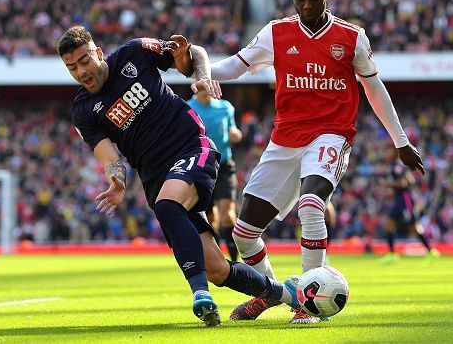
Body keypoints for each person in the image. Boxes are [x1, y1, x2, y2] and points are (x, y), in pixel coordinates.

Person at [207, 0, 425, 324]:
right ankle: (274, 292)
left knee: (311, 204)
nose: (306, 6)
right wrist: (194, 66)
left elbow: (373, 87)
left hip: (331, 134)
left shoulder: (351, 37)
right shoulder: (276, 33)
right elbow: (234, 67)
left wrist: (400, 141)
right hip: (284, 139)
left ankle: (306, 307)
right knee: (244, 234)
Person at [59, 26, 301, 327]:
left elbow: (194, 53)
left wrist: (199, 74)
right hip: (155, 177)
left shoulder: (134, 53)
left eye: (84, 61)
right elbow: (109, 157)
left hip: (191, 147)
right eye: (72, 67)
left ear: (97, 53)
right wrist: (116, 179)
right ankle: (289, 294)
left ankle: (200, 294)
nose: (81, 71)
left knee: (168, 206)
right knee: (217, 269)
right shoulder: (83, 110)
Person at [187, 90, 242, 261]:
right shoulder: (188, 107)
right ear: (194, 86)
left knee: (227, 215)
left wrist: (235, 133)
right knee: (210, 219)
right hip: (202, 167)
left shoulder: (225, 107)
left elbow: (233, 128)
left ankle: (235, 260)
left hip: (224, 165)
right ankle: (220, 260)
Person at [378, 146, 440, 265]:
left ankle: (431, 252)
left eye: (388, 150)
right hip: (400, 200)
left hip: (405, 201)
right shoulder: (396, 165)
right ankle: (392, 254)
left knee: (414, 228)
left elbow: (404, 182)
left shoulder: (396, 166)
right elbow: (410, 180)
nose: (386, 153)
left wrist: (388, 184)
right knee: (389, 225)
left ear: (394, 152)